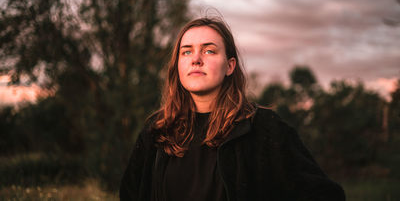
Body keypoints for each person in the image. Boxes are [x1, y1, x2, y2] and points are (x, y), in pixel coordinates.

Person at [120, 17, 346, 201]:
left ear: (230, 66)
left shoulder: (264, 128)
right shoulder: (157, 131)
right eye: (186, 51)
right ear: (177, 66)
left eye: (209, 51)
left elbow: (325, 195)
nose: (196, 59)